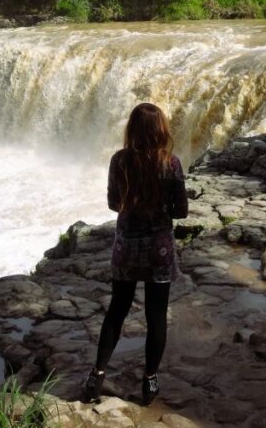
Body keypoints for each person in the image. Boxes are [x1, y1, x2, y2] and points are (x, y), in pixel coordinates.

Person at [82, 102, 188, 406]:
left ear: (132, 129)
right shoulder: (171, 163)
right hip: (159, 249)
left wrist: (135, 205)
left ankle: (97, 375)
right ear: (161, 130)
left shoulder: (119, 161)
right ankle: (149, 381)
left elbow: (114, 204)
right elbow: (181, 211)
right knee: (156, 316)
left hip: (126, 247)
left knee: (117, 309)